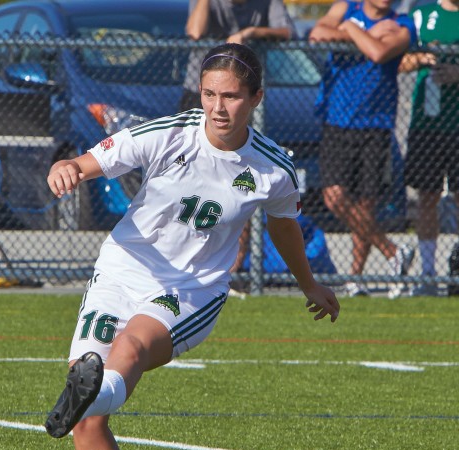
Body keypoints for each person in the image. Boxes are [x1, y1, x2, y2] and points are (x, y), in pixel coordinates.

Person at [41, 43, 340, 450]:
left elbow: (283, 226)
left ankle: (94, 393)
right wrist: (65, 168)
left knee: (131, 347)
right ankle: (90, 395)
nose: (218, 108)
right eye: (209, 94)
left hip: (189, 290)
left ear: (256, 98)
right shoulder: (166, 133)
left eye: (232, 96)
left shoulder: (274, 169)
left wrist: (308, 283)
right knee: (86, 423)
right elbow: (85, 163)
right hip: (120, 271)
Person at [309, 0, 416, 297]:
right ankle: (393, 251)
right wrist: (358, 29)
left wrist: (348, 32)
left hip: (376, 125)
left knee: (365, 206)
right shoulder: (346, 9)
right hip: (336, 121)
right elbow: (317, 33)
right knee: (334, 198)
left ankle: (355, 279)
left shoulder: (403, 24)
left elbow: (379, 52)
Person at [398, 0, 459, 296]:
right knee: (427, 198)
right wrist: (423, 57)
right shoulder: (421, 15)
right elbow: (397, 61)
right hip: (427, 126)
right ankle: (428, 274)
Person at [181, 0, 294, 111]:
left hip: (243, 91)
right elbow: (195, 32)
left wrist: (251, 32)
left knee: (239, 129)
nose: (218, 108)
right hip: (201, 91)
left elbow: (287, 32)